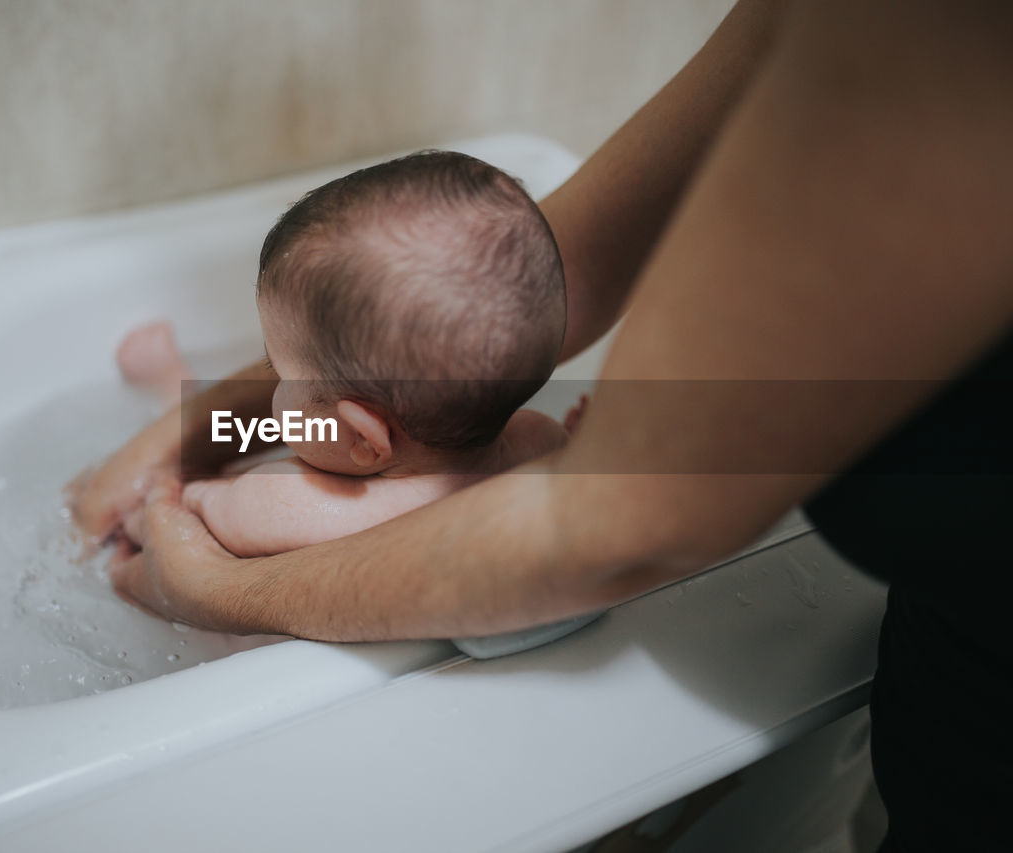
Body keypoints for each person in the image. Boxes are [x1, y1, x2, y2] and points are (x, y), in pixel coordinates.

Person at [69, 0, 1012, 847]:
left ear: (359, 438)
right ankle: (171, 390)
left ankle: (163, 384)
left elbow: (199, 527)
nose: (271, 398)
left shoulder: (292, 503)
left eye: (284, 378)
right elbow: (562, 393)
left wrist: (165, 528)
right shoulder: (519, 438)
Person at [127, 152, 577, 557]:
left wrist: (154, 503)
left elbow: (176, 523)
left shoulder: (279, 502)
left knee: (194, 465)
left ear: (365, 439)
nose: (273, 388)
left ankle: (171, 391)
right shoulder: (539, 442)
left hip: (247, 626)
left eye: (278, 371)